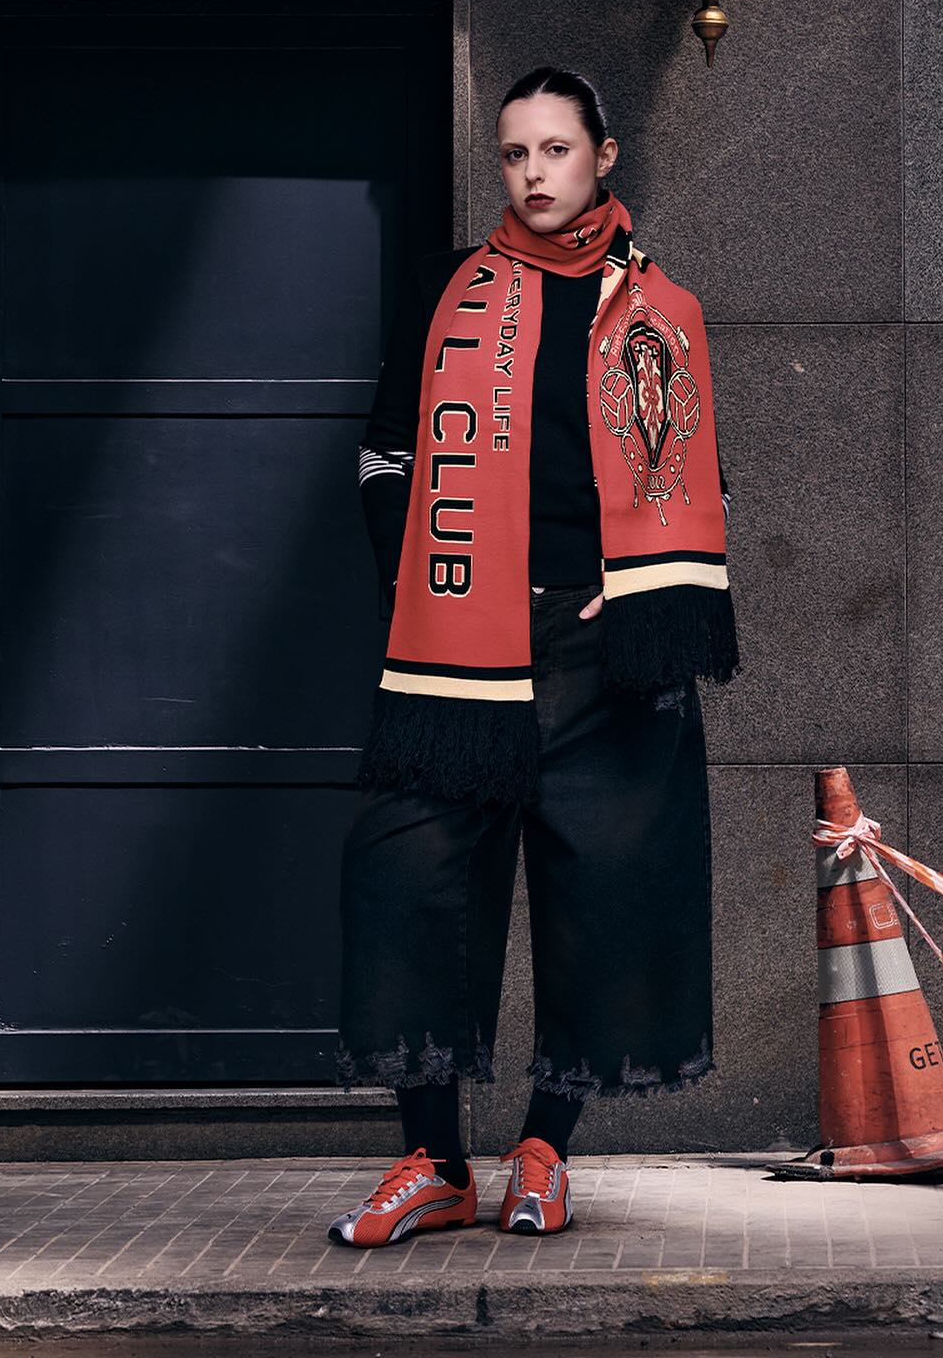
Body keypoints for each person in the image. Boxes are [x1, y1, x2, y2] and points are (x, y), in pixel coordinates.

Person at [327, 66, 742, 1248]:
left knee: (604, 896)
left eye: (556, 149)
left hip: (602, 649)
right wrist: (421, 576)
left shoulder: (662, 309)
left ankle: (546, 1148)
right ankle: (433, 1161)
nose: (534, 172)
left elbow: (701, 477)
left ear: (602, 156)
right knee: (409, 881)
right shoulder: (447, 290)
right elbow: (385, 455)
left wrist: (640, 585)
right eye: (515, 153)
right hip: (460, 634)